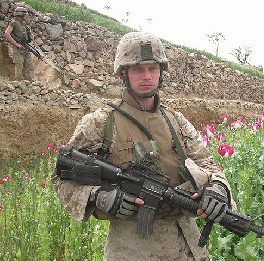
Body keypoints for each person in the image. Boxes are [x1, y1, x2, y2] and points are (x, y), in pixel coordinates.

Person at [52, 32, 237, 261]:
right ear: (123, 74)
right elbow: (62, 177)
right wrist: (98, 196)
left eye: (153, 69)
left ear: (161, 73)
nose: (147, 76)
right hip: (131, 249)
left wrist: (218, 188)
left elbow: (207, 163)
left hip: (188, 247)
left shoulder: (176, 121)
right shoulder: (100, 123)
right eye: (138, 69)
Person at [4, 6, 35, 81]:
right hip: (17, 48)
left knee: (29, 64)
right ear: (20, 14)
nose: (25, 16)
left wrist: (31, 36)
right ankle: (18, 83)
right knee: (19, 65)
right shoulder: (13, 23)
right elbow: (6, 34)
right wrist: (16, 44)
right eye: (24, 14)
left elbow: (27, 34)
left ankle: (29, 81)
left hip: (25, 47)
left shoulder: (23, 24)